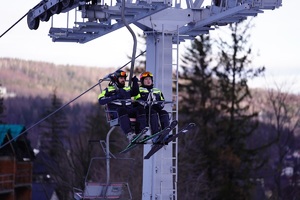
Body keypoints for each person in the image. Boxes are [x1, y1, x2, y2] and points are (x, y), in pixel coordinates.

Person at [98, 70, 147, 143]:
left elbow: (135, 92)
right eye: (121, 78)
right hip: (116, 113)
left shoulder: (127, 89)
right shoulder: (108, 90)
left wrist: (135, 83)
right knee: (121, 110)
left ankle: (140, 132)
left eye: (124, 78)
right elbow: (101, 100)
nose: (123, 80)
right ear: (116, 79)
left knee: (140, 109)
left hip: (129, 110)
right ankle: (129, 134)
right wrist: (115, 96)